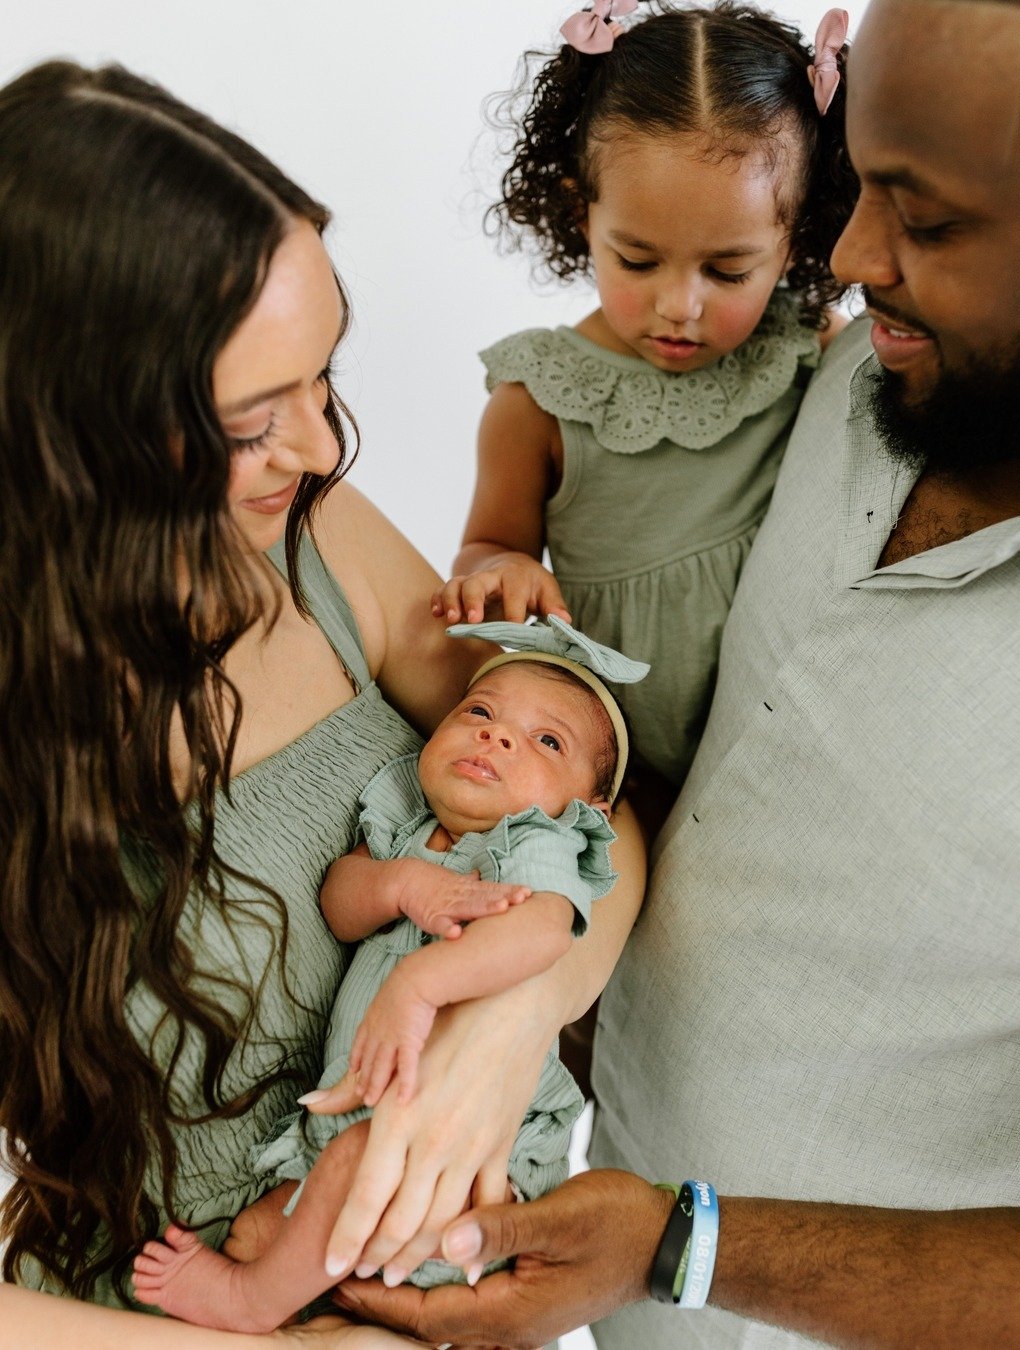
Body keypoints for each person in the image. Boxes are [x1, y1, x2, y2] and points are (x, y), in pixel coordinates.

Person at [340, 0, 1020, 1345]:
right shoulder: (849, 377)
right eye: (860, 185)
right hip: (606, 1250)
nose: (848, 258)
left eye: (929, 216)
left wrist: (692, 1247)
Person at [0, 60, 645, 1345]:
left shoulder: (314, 535)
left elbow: (598, 812)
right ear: (69, 425)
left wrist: (503, 1022)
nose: (317, 446)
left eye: (321, 372)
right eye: (249, 418)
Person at [132, 621, 647, 1331]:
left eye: (546, 741)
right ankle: (327, 1312)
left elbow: (543, 933)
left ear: (590, 811)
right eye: (481, 713)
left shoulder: (539, 843)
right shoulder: (406, 824)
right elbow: (340, 906)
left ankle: (251, 1303)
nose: (498, 737)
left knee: (344, 1178)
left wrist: (420, 983)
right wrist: (399, 885)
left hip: (466, 1159)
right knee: (258, 1234)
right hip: (369, 1115)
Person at [433, 0, 858, 787]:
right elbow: (487, 546)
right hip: (602, 757)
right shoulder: (539, 400)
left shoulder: (805, 350)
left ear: (796, 240)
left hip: (769, 744)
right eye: (636, 260)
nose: (680, 306)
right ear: (580, 213)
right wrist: (499, 568)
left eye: (728, 271)